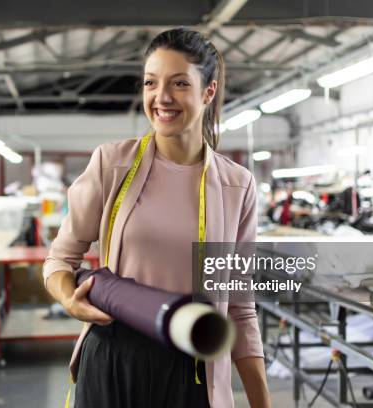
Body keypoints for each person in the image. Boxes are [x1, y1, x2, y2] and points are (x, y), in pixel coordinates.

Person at [44, 27, 271, 408]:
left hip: (193, 374)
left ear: (208, 92)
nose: (161, 97)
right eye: (151, 83)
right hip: (114, 360)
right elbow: (59, 260)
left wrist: (261, 402)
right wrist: (70, 299)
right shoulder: (112, 164)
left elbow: (238, 305)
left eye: (180, 83)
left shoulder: (237, 186)